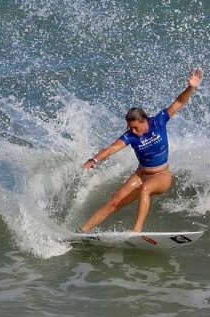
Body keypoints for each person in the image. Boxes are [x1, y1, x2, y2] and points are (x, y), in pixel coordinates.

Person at [79, 68, 203, 233]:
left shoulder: (158, 121)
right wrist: (94, 160)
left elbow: (179, 102)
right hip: (141, 174)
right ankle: (82, 231)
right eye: (130, 128)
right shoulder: (130, 136)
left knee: (145, 189)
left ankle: (136, 231)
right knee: (114, 202)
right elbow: (112, 148)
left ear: (144, 120)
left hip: (161, 175)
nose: (133, 131)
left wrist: (191, 88)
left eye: (135, 127)